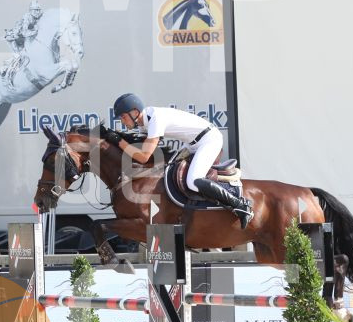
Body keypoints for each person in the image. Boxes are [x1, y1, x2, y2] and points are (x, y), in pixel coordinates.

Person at [105, 93, 253, 228]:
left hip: (209, 140)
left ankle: (240, 205)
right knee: (169, 168)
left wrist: (118, 141)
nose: (122, 121)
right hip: (192, 144)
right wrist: (116, 138)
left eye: (123, 117)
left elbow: (143, 157)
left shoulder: (155, 119)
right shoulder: (144, 121)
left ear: (134, 112)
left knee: (193, 181)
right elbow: (141, 149)